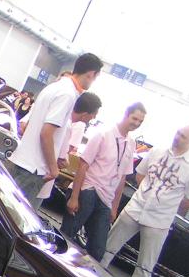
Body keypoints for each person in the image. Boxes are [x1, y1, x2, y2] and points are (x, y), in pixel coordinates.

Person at [100, 124, 189, 277]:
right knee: (108, 247)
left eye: (183, 136)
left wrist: (167, 203)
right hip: (135, 208)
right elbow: (140, 174)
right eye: (178, 133)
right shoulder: (157, 151)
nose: (178, 138)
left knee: (145, 266)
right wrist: (147, 191)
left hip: (159, 220)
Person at [8, 52, 103, 205]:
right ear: (91, 74)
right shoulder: (68, 94)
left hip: (24, 160)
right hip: (34, 168)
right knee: (14, 214)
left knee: (4, 209)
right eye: (95, 77)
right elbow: (46, 133)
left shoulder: (55, 87)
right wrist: (53, 169)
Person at [61, 101, 144, 261]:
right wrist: (74, 197)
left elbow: (122, 178)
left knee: (97, 251)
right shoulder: (104, 134)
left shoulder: (131, 143)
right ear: (126, 115)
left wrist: (114, 208)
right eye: (134, 118)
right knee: (67, 236)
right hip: (89, 189)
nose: (136, 123)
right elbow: (83, 165)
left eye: (140, 121)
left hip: (106, 199)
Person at [34, 91, 102, 207]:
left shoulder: (53, 115)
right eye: (94, 114)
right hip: (43, 174)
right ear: (85, 114)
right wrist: (56, 168)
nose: (94, 118)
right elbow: (63, 158)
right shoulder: (70, 125)